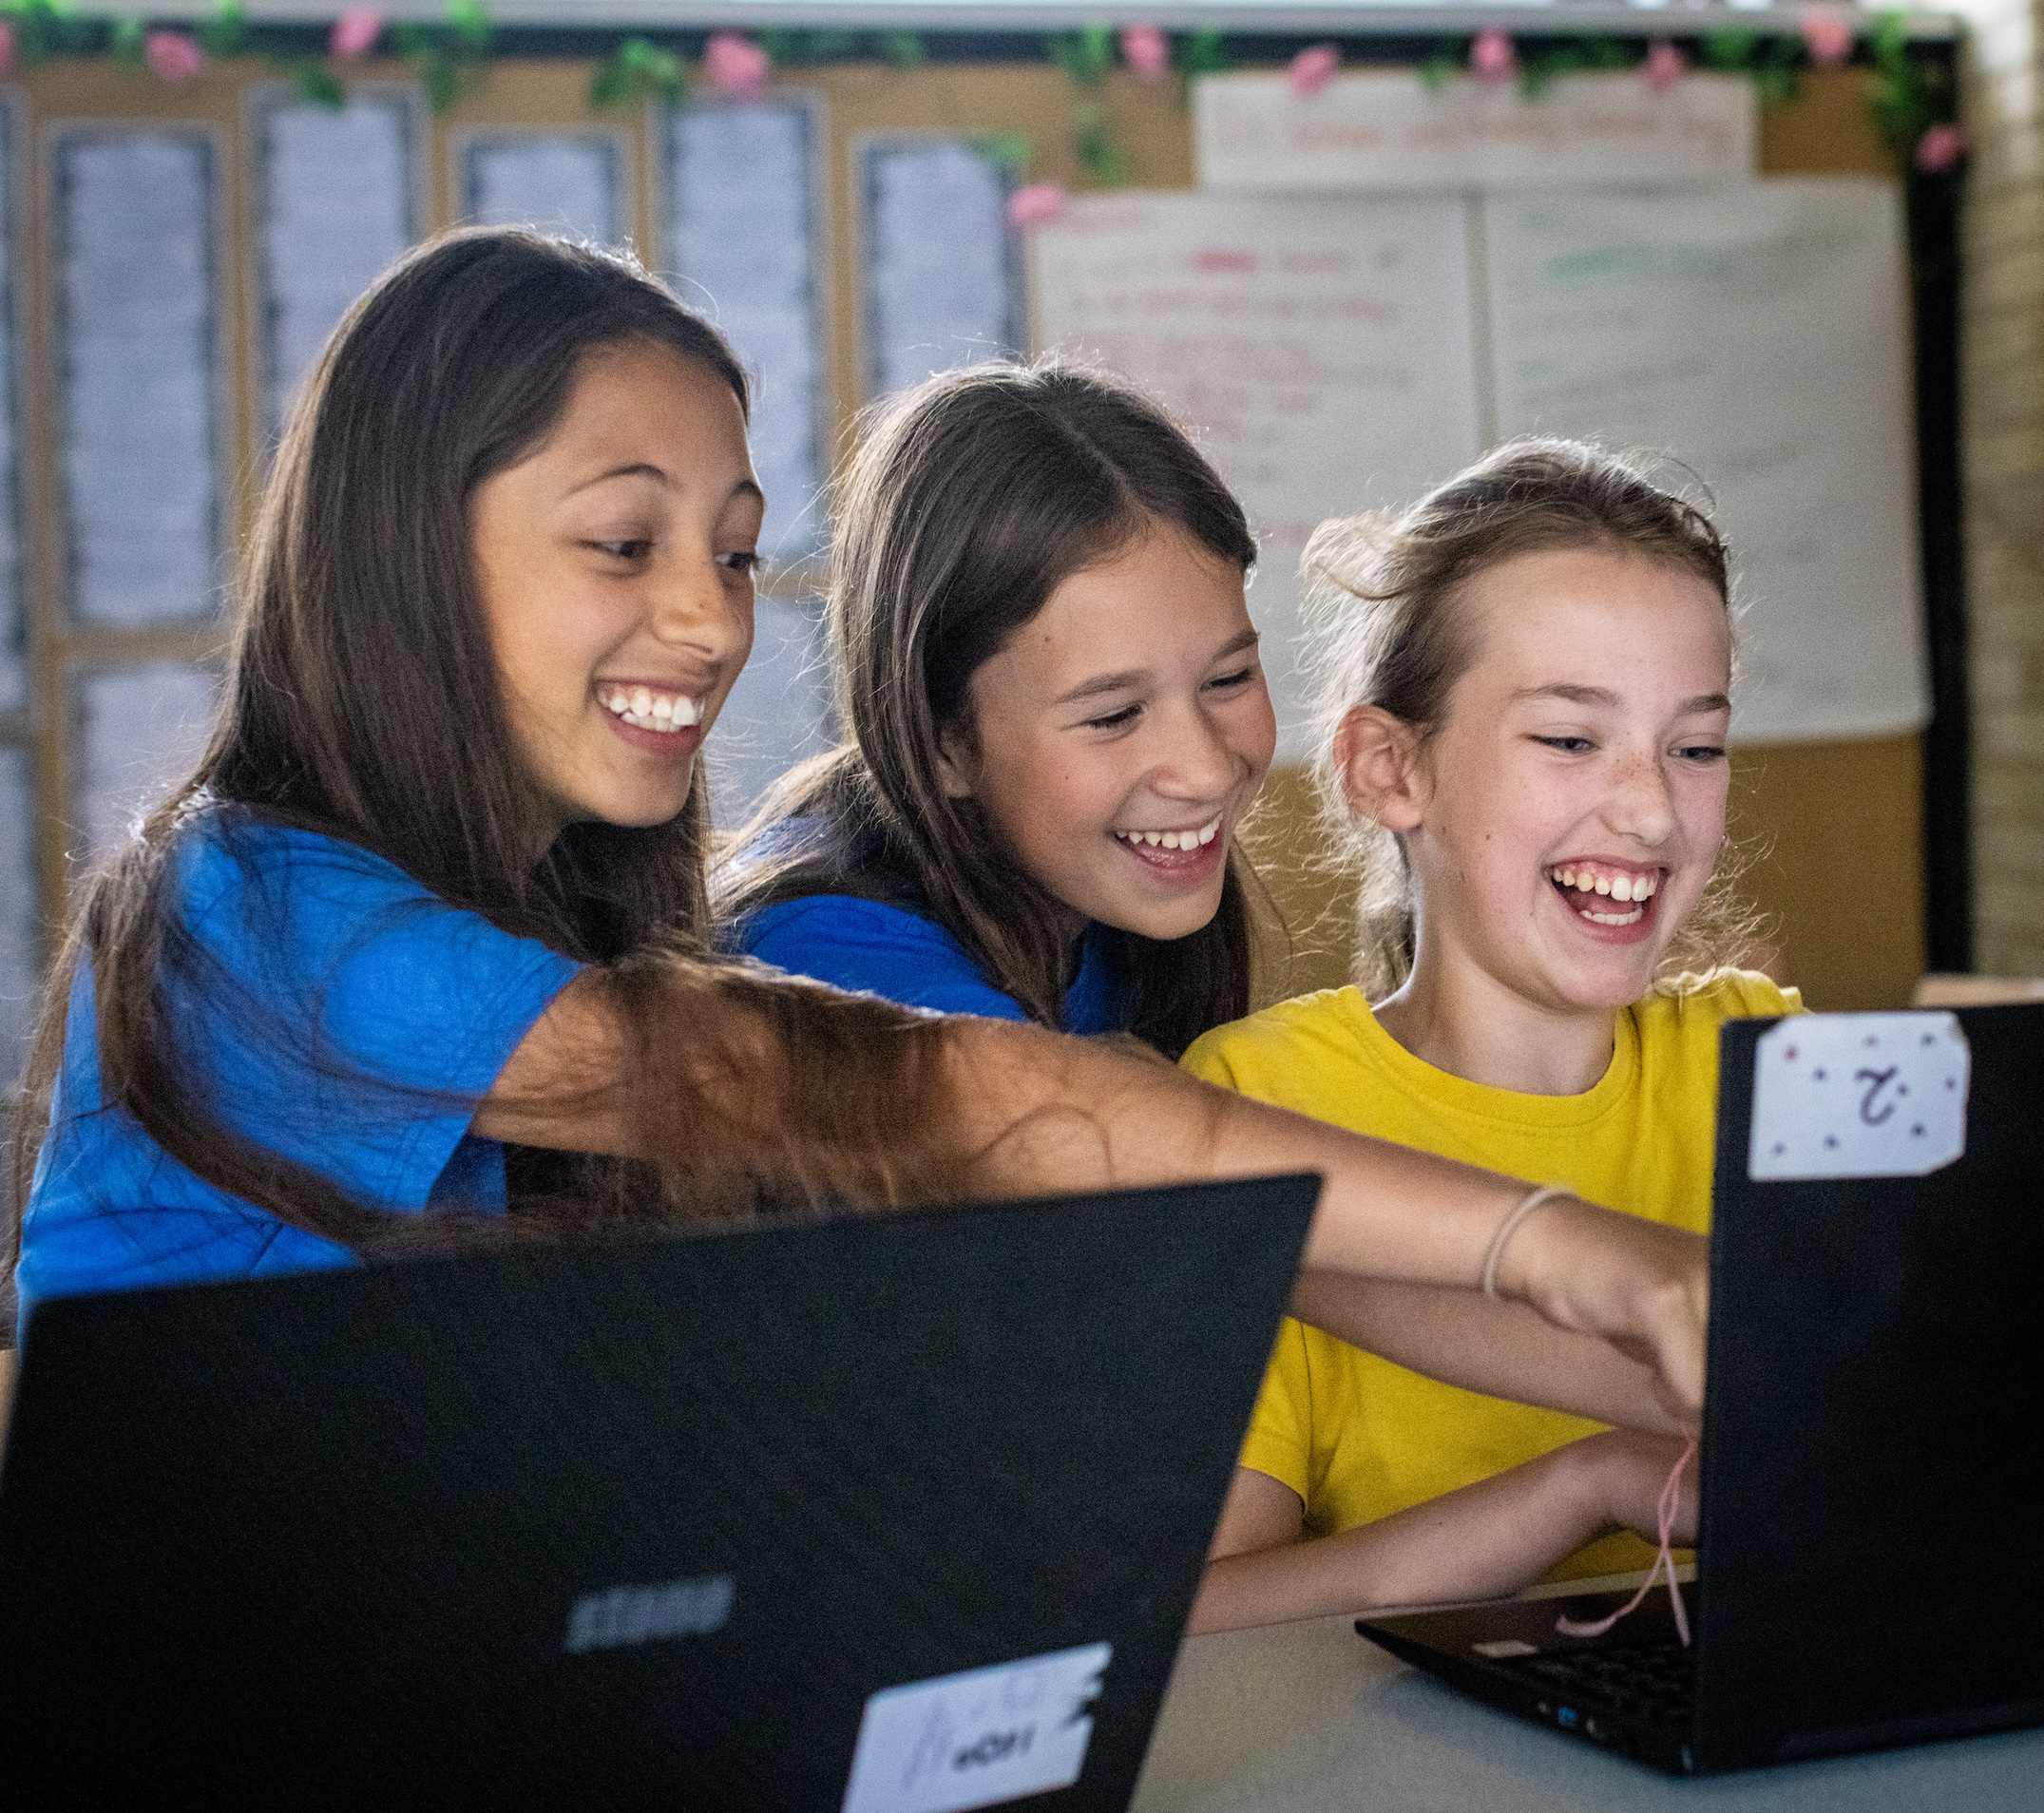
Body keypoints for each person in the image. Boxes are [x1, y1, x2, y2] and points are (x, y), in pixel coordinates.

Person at [11, 234, 1704, 1463]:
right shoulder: (246, 910)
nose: (704, 615)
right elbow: (1010, 1119)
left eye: (738, 556)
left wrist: (1668, 1371)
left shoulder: (549, 923)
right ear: (400, 548)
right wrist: (1555, 1236)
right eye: (624, 540)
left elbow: (1233, 1256)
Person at [1187, 441, 1800, 1633]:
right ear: (1387, 768)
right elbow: (1206, 1618)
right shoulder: (1258, 1101)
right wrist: (1586, 1485)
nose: (1652, 808)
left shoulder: (1763, 1056)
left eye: (1697, 744)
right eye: (1571, 739)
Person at [716, 358, 1269, 1059]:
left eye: (1227, 679)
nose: (1206, 770)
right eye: (1112, 716)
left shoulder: (1097, 899)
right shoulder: (825, 956)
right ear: (942, 742)